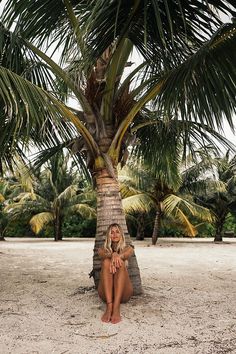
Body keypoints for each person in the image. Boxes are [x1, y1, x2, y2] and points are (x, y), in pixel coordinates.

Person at [97, 223, 134, 324]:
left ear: (121, 235)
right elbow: (102, 254)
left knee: (120, 263)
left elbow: (127, 253)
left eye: (117, 232)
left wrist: (118, 256)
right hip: (105, 294)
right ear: (108, 236)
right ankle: (109, 306)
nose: (115, 235)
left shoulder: (128, 248)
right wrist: (112, 254)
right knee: (106, 261)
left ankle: (116, 306)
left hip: (123, 294)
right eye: (111, 232)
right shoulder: (102, 249)